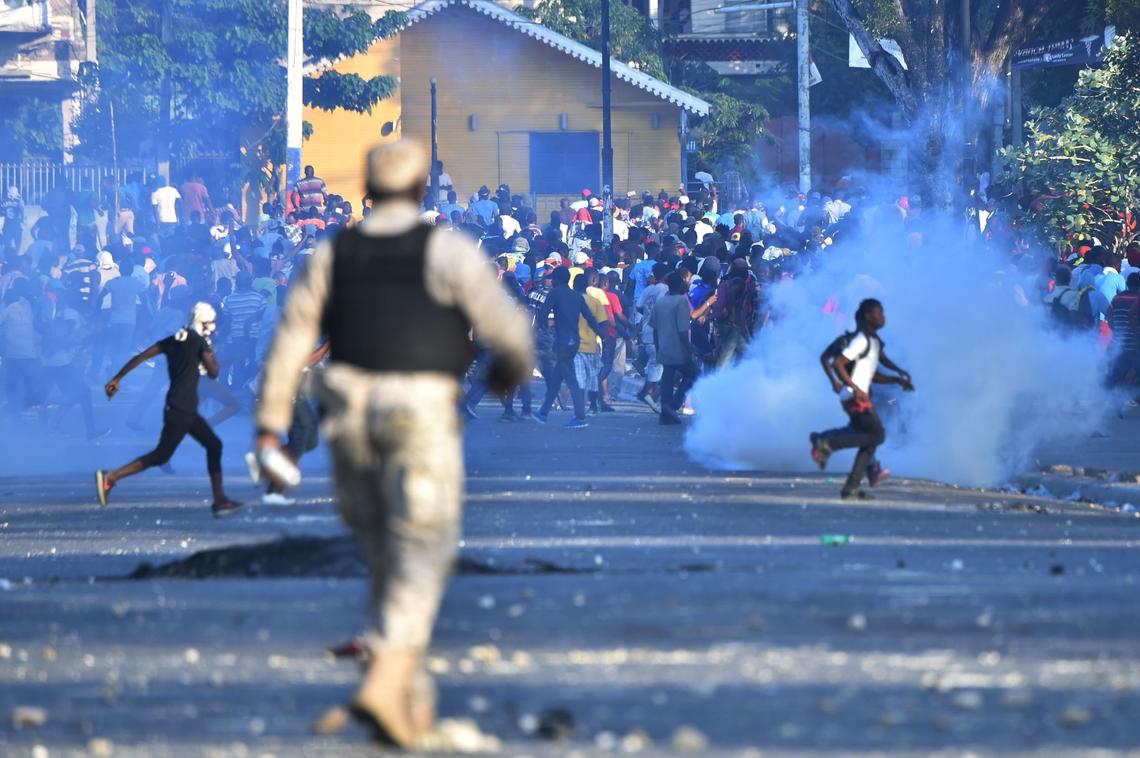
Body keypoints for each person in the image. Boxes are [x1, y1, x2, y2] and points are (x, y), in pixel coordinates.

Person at [254, 140, 534, 748]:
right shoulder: (448, 249)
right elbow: (508, 329)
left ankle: (398, 682)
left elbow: (291, 343)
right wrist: (507, 370)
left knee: (378, 537)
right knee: (421, 541)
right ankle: (388, 676)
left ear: (367, 189)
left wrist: (272, 423)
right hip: (418, 410)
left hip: (349, 408)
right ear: (419, 191)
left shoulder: (333, 253)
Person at [95, 302, 242, 516]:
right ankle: (111, 477)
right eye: (210, 323)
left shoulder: (176, 339)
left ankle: (219, 500)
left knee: (212, 445)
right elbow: (213, 372)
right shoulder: (200, 342)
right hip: (182, 408)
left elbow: (141, 356)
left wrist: (117, 379)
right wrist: (208, 351)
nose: (212, 327)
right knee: (162, 455)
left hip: (179, 404)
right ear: (203, 323)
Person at [809, 299, 914, 500]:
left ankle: (853, 486)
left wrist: (897, 378)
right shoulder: (860, 340)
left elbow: (873, 372)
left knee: (870, 436)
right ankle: (826, 441)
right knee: (875, 434)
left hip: (860, 394)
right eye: (879, 313)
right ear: (867, 317)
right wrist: (852, 387)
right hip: (854, 395)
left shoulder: (873, 342)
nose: (883, 318)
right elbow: (837, 363)